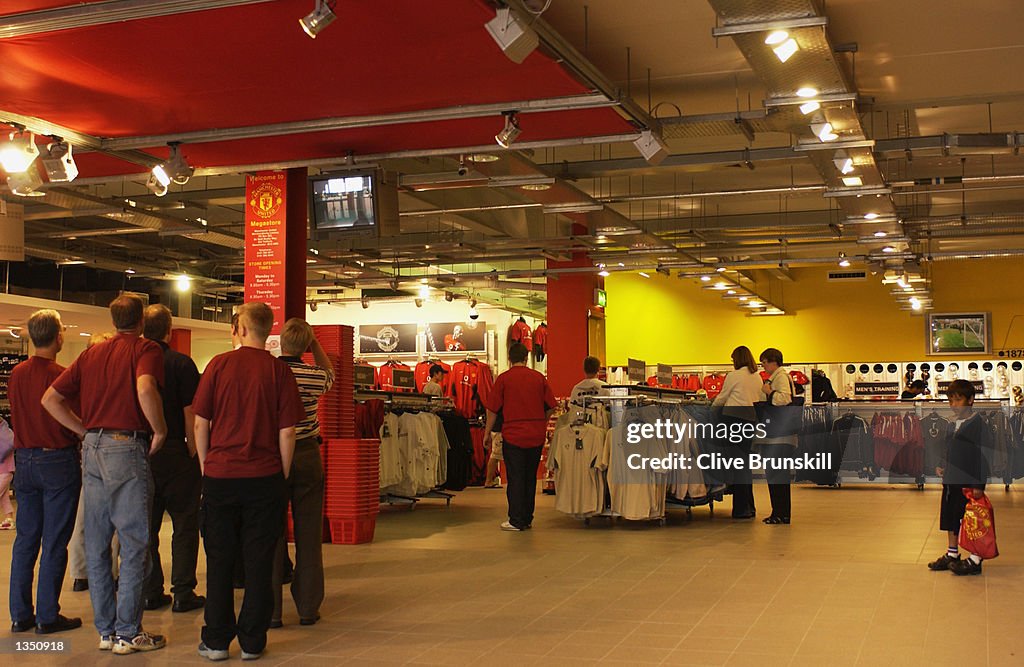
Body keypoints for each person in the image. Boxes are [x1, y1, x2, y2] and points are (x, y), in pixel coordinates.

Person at [43, 295, 168, 654]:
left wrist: (83, 431)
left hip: (93, 449)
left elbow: (50, 399)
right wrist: (159, 429)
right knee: (134, 543)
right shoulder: (145, 350)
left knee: (97, 543)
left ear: (113, 320)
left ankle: (107, 630)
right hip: (126, 445)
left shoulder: (89, 354)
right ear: (141, 320)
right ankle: (128, 631)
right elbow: (145, 388)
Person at [192, 302, 302, 661]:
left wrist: (208, 466)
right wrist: (281, 474)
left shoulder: (218, 366)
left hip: (221, 476)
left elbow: (199, 423)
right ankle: (253, 641)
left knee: (219, 560)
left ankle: (216, 640)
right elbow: (288, 432)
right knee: (259, 561)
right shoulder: (280, 372)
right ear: (269, 330)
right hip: (265, 476)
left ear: (239, 327)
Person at [8, 309, 83, 634]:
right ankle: (47, 616)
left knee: (25, 539)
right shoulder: (62, 374)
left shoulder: (16, 374)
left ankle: (20, 614)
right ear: (58, 336)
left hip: (23, 460)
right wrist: (81, 431)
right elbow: (71, 414)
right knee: (54, 541)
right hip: (57, 461)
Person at [271, 318, 334, 629]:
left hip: (271, 456)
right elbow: (330, 374)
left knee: (270, 533)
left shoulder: (269, 373)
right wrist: (316, 346)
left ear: (281, 342)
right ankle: (308, 607)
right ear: (306, 346)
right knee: (309, 534)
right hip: (307, 452)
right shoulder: (312, 376)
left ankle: (271, 610)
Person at [142, 304, 205, 613]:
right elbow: (191, 412)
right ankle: (183, 592)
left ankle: (151, 590)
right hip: (178, 453)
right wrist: (194, 451)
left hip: (143, 454)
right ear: (169, 331)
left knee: (147, 527)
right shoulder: (182, 363)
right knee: (184, 524)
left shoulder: (135, 362)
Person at [483, 343, 556, 531]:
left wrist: (487, 433)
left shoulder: (503, 379)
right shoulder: (538, 378)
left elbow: (492, 409)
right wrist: (542, 422)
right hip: (536, 434)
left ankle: (516, 520)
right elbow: (551, 406)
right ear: (526, 358)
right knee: (530, 477)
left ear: (509, 359)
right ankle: (527, 517)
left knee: (515, 478)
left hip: (513, 434)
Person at [67, 333, 119, 593]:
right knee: (114, 514)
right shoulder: (110, 379)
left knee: (87, 514)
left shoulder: (79, 378)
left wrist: (82, 433)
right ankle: (105, 571)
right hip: (109, 447)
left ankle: (82, 572)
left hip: (89, 449)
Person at [928, 379, 991, 575]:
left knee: (972, 520)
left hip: (969, 481)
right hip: (951, 480)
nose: (954, 405)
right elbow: (948, 449)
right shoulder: (952, 424)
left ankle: (975, 558)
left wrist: (979, 484)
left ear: (971, 400)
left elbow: (984, 456)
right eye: (951, 400)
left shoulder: (979, 425)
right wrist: (941, 464)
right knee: (951, 515)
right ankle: (952, 553)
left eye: (958, 400)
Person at [712, 346, 763, 519]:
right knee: (745, 464)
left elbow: (722, 397)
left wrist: (712, 409)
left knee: (737, 465)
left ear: (738, 359)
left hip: (734, 421)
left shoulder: (734, 376)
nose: (732, 362)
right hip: (751, 421)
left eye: (733, 359)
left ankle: (741, 509)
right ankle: (749, 506)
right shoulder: (757, 377)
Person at [753, 347, 798, 525]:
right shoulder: (779, 377)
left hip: (779, 436)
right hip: (780, 435)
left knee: (776, 475)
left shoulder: (779, 377)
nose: (763, 366)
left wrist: (768, 391)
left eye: (764, 362)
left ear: (773, 361)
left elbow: (784, 399)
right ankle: (778, 512)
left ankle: (781, 514)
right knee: (777, 475)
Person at [0, 417, 13, 530]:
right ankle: (9, 519)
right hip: (4, 470)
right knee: (4, 497)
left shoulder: (5, 434)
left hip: (5, 470)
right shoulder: (6, 433)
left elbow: (6, 447)